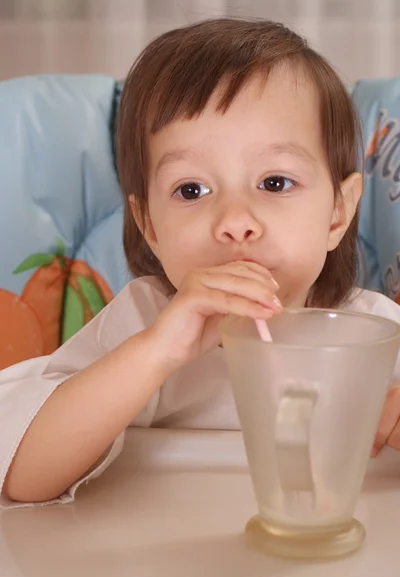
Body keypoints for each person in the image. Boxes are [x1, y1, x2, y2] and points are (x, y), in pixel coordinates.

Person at [1, 18, 400, 509]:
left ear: (339, 211)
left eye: (275, 182)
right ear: (149, 225)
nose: (235, 221)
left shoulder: (376, 334)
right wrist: (155, 354)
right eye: (191, 190)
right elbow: (19, 475)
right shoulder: (143, 322)